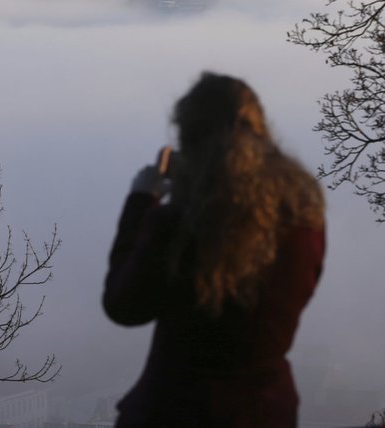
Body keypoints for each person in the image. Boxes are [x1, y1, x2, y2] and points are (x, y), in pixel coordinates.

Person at [103, 72, 325, 427]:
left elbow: (123, 305)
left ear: (190, 138)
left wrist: (142, 202)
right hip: (266, 411)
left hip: (173, 411)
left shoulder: (181, 227)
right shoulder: (304, 220)